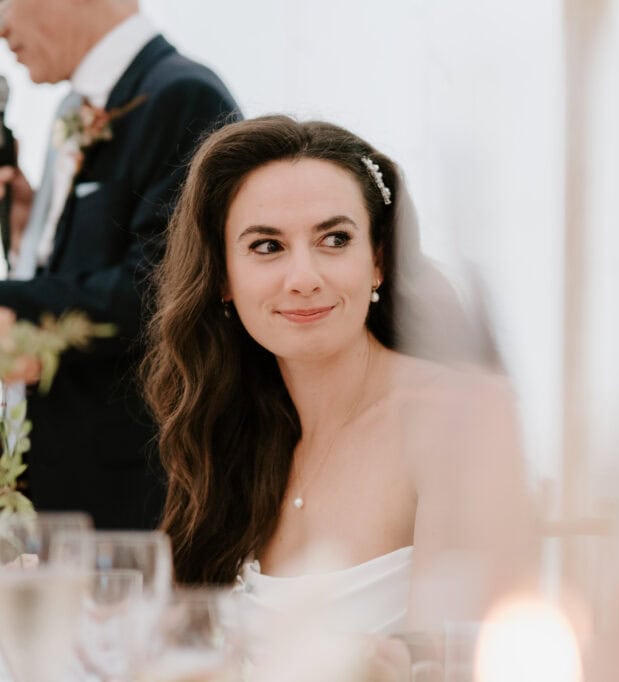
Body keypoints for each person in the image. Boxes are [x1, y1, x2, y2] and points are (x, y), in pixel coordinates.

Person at [142, 117, 535, 641]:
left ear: (377, 260)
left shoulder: (455, 417)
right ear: (222, 278)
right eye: (266, 246)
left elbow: (461, 664)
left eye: (334, 238)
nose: (304, 278)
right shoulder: (235, 430)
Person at [0, 0, 239, 528]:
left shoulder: (182, 96)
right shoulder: (77, 108)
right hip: (66, 475)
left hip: (138, 489)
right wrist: (29, 243)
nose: (1, 27)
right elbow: (102, 267)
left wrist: (10, 302)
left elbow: (161, 289)